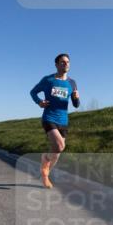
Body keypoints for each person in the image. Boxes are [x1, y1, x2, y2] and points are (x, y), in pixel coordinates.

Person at [29, 53, 79, 188]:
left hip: (63, 120)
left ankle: (45, 174)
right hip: (49, 117)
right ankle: (45, 159)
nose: (66, 64)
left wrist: (76, 98)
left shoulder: (72, 82)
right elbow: (33, 92)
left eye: (68, 62)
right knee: (60, 146)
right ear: (56, 65)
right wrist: (39, 102)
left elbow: (76, 105)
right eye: (62, 62)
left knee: (57, 153)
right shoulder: (48, 80)